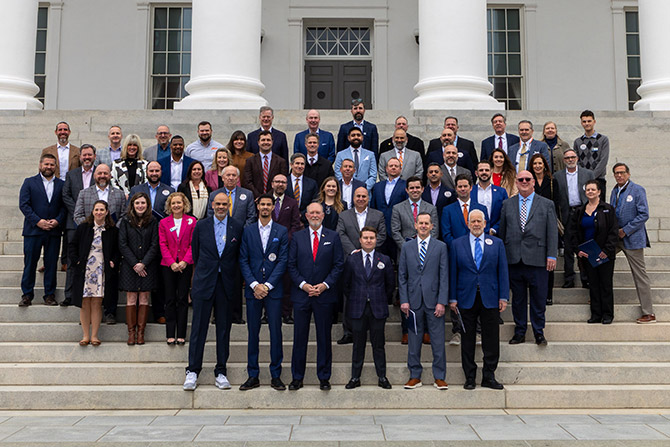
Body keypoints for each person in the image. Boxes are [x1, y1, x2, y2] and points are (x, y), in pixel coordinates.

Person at [183, 192, 243, 391]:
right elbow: (197, 253)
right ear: (212, 205)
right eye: (217, 204)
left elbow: (237, 257)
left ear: (229, 205)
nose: (221, 207)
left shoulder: (237, 226)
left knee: (223, 329)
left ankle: (221, 371)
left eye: (224, 204)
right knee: (199, 328)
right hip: (204, 282)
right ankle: (192, 370)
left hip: (226, 284)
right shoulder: (201, 226)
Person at [449, 209, 508, 390]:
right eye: (472, 221)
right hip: (465, 297)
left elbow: (503, 271)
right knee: (467, 339)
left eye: (479, 221)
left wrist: (503, 296)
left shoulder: (496, 244)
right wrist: (452, 297)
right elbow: (453, 272)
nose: (476, 224)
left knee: (491, 339)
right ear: (468, 224)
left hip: (490, 297)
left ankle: (489, 376)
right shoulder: (457, 244)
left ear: (484, 223)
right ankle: (470, 377)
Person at [287, 202, 344, 391]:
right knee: (299, 338)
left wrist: (324, 285)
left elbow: (338, 265)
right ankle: (297, 377)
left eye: (318, 212)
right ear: (306, 215)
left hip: (324, 295)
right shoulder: (297, 237)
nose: (314, 215)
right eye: (311, 212)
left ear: (323, 215)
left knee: (324, 338)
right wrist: (303, 285)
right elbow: (291, 265)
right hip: (302, 295)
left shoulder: (333, 237)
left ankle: (324, 377)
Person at [499, 170, 558, 346]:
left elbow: (552, 231)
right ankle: (520, 331)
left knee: (539, 298)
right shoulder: (507, 204)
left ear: (533, 182)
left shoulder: (547, 204)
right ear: (516, 183)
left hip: (538, 259)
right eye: (521, 179)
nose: (524, 182)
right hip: (514, 259)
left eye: (527, 179)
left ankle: (538, 332)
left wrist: (551, 255)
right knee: (518, 299)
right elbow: (502, 232)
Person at [238, 194, 289, 391]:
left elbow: (282, 260)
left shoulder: (281, 231)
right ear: (257, 206)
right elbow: (243, 259)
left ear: (273, 207)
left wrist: (267, 285)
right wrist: (254, 285)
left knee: (276, 332)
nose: (265, 207)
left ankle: (276, 375)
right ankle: (253, 375)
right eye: (262, 204)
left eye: (269, 204)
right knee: (253, 334)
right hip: (253, 291)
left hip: (273, 291)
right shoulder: (248, 231)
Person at [398, 212, 449, 390]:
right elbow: (402, 275)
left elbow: (444, 276)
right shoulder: (407, 247)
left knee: (437, 340)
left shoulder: (440, 247)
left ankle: (440, 376)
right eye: (421, 223)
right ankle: (414, 375)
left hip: (434, 301)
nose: (424, 226)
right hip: (412, 302)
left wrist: (442, 301)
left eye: (427, 223)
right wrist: (403, 300)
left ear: (432, 226)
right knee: (413, 340)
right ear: (416, 225)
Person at [342, 226, 394, 390]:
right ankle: (355, 377)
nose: (369, 240)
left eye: (371, 238)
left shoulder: (384, 260)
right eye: (365, 238)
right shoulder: (352, 260)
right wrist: (357, 298)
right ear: (360, 240)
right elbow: (346, 285)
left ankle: (382, 377)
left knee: (379, 345)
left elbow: (390, 285)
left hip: (378, 308)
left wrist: (380, 298)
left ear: (376, 240)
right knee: (358, 344)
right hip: (357, 308)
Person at [73, 163, 126, 324]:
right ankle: (87, 316)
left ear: (110, 175)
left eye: (105, 173)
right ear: (95, 175)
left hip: (111, 240)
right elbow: (78, 215)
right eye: (99, 173)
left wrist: (110, 230)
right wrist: (89, 229)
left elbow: (123, 215)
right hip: (89, 243)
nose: (102, 176)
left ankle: (110, 312)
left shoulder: (118, 194)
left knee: (110, 280)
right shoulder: (84, 193)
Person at [336, 186, 386, 345]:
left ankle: (371, 331)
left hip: (372, 260)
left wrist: (368, 250)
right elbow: (340, 233)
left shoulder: (378, 215)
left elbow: (382, 234)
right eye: (358, 196)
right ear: (353, 198)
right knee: (349, 295)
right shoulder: (344, 215)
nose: (361, 199)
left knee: (372, 294)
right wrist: (354, 251)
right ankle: (348, 331)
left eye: (364, 196)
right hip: (351, 260)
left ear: (368, 198)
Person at [206, 166, 256, 325]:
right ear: (222, 177)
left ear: (237, 178)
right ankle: (217, 315)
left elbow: (251, 217)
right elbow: (210, 216)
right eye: (228, 175)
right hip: (219, 243)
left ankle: (236, 315)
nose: (230, 178)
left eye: (234, 175)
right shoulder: (214, 195)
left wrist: (239, 236)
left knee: (235, 279)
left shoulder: (247, 194)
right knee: (217, 279)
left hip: (239, 243)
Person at [69, 200, 119, 346]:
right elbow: (72, 246)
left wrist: (113, 261)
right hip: (85, 268)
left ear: (107, 212)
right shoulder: (83, 228)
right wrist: (76, 261)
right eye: (96, 210)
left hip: (102, 269)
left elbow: (117, 250)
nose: (99, 212)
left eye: (102, 210)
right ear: (92, 211)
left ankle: (95, 335)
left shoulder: (112, 230)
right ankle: (85, 335)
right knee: (85, 302)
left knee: (97, 302)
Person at [18, 153, 66, 307]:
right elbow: (24, 205)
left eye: (52, 165)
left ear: (55, 167)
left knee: (51, 264)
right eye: (46, 164)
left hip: (53, 231)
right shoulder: (29, 182)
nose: (49, 167)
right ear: (40, 165)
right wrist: (38, 221)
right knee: (30, 263)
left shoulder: (61, 184)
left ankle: (50, 295)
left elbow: (65, 207)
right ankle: (27, 294)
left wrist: (57, 221)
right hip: (33, 231)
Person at [610, 163, 656, 323]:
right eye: (616, 173)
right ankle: (598, 297)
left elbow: (644, 214)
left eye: (622, 172)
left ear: (628, 174)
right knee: (599, 261)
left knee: (640, 276)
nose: (619, 175)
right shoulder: (614, 190)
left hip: (632, 238)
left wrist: (626, 230)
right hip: (616, 238)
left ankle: (648, 312)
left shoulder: (637, 190)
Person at [572, 180, 618, 324]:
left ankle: (607, 314)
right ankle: (596, 314)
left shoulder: (607, 209)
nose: (590, 192)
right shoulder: (580, 211)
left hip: (604, 254)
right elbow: (573, 233)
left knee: (605, 284)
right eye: (588, 190)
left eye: (593, 189)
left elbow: (613, 232)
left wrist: (607, 250)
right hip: (588, 254)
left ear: (599, 192)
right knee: (593, 284)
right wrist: (578, 250)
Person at [118, 192, 159, 345]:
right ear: (133, 205)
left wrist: (144, 263)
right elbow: (122, 244)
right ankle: (131, 333)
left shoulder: (153, 221)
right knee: (131, 298)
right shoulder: (125, 221)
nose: (140, 206)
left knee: (144, 298)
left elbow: (155, 245)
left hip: (147, 266)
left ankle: (141, 333)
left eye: (143, 203)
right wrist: (135, 263)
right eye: (137, 203)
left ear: (147, 205)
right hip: (130, 266)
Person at [41, 121, 80, 274]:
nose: (63, 132)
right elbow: (44, 169)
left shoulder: (77, 151)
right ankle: (47, 261)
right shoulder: (47, 150)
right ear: (56, 132)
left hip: (71, 192)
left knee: (68, 228)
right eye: (60, 130)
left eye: (65, 130)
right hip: (54, 189)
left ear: (69, 132)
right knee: (51, 226)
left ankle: (65, 261)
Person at [159, 192, 196, 345]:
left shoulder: (192, 221)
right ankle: (170, 333)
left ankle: (181, 333)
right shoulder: (164, 223)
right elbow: (162, 244)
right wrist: (171, 262)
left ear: (184, 204)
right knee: (170, 299)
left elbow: (193, 244)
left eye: (179, 203)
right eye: (173, 203)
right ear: (169, 205)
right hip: (169, 266)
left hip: (185, 266)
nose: (176, 206)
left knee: (182, 299)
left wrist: (185, 261)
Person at [61, 144, 97, 307]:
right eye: (84, 155)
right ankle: (69, 294)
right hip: (74, 224)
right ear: (80, 157)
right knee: (72, 259)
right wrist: (79, 213)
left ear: (94, 156)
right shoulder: (71, 174)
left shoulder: (100, 172)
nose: (87, 158)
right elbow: (66, 195)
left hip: (96, 223)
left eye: (90, 155)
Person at [555, 149, 595, 289]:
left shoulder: (587, 174)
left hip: (583, 212)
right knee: (568, 250)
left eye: (572, 157)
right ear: (564, 160)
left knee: (585, 246)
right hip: (567, 214)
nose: (570, 160)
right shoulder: (558, 176)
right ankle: (569, 279)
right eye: (567, 158)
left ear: (577, 158)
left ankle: (587, 278)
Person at [271, 174, 303, 324]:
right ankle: (268, 314)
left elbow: (296, 225)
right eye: (277, 182)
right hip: (268, 248)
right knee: (268, 280)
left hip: (287, 248)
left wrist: (284, 240)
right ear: (272, 184)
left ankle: (286, 313)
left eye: (283, 182)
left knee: (287, 282)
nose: (280, 184)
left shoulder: (292, 202)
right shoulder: (266, 201)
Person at [530, 153, 560, 304]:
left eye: (540, 163)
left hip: (549, 221)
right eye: (535, 163)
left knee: (550, 259)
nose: (537, 166)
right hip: (532, 223)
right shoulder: (528, 180)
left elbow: (559, 202)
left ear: (545, 165)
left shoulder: (552, 181)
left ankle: (549, 295)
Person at [371, 157, 407, 259]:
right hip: (380, 231)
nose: (393, 168)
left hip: (398, 231)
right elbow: (373, 207)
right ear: (386, 169)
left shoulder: (406, 185)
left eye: (396, 166)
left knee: (398, 261)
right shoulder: (377, 186)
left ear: (400, 169)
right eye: (391, 166)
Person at [441, 174, 489, 247]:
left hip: (477, 249)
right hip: (456, 250)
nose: (463, 189)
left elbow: (486, 230)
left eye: (465, 186)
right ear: (456, 189)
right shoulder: (448, 210)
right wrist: (458, 247)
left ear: (471, 188)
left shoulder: (481, 209)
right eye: (460, 187)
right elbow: (446, 234)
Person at [574, 110, 610, 199]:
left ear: (594, 122)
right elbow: (576, 161)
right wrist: (584, 176)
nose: (587, 124)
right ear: (581, 123)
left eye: (589, 121)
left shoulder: (603, 140)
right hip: (583, 180)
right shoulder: (578, 142)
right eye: (584, 121)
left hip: (599, 179)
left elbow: (603, 160)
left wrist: (592, 176)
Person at [243, 130, 288, 198]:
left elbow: (282, 181)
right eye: (263, 140)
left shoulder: (281, 162)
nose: (266, 142)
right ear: (258, 142)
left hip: (274, 198)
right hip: (255, 199)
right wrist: (259, 197)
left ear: (272, 142)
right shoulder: (250, 161)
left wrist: (268, 196)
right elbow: (247, 182)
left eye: (268, 140)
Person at [333, 127, 377, 191]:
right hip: (345, 190)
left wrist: (363, 188)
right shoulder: (340, 155)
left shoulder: (370, 155)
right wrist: (348, 187)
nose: (356, 137)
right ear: (348, 138)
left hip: (365, 193)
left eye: (358, 135)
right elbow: (338, 173)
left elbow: (373, 175)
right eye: (353, 135)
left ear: (362, 137)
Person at [471, 160, 508, 236]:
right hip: (473, 233)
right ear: (476, 173)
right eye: (481, 170)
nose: (484, 172)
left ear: (491, 172)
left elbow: (505, 213)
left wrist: (494, 229)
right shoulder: (470, 191)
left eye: (487, 170)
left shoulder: (501, 192)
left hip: (495, 234)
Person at [421, 162, 456, 230]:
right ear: (427, 175)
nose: (433, 174)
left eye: (436, 172)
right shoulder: (422, 192)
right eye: (431, 172)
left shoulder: (450, 192)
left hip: (444, 227)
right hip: (426, 228)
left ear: (441, 174)